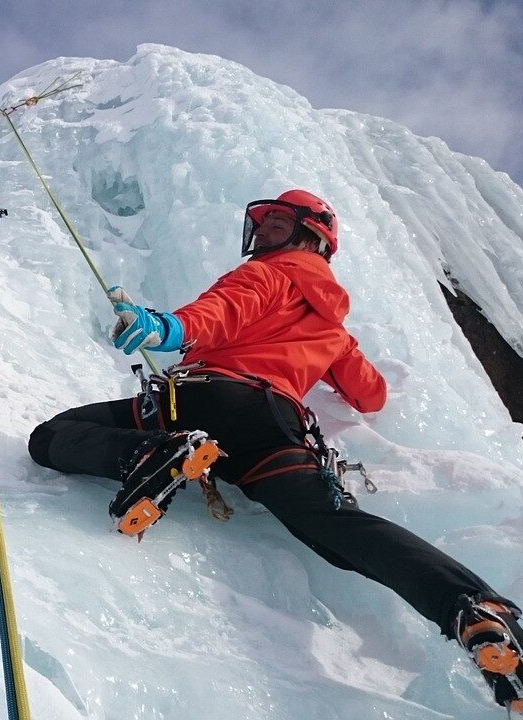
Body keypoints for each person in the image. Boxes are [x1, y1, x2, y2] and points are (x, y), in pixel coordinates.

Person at [27, 188, 523, 713]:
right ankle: (474, 610)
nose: (263, 234)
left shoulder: (266, 274)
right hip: (271, 427)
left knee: (52, 435)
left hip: (198, 398)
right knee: (337, 527)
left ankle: (149, 456)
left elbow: (219, 312)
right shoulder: (334, 329)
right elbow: (371, 394)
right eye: (262, 226)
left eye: (278, 224)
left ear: (311, 236)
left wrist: (165, 327)